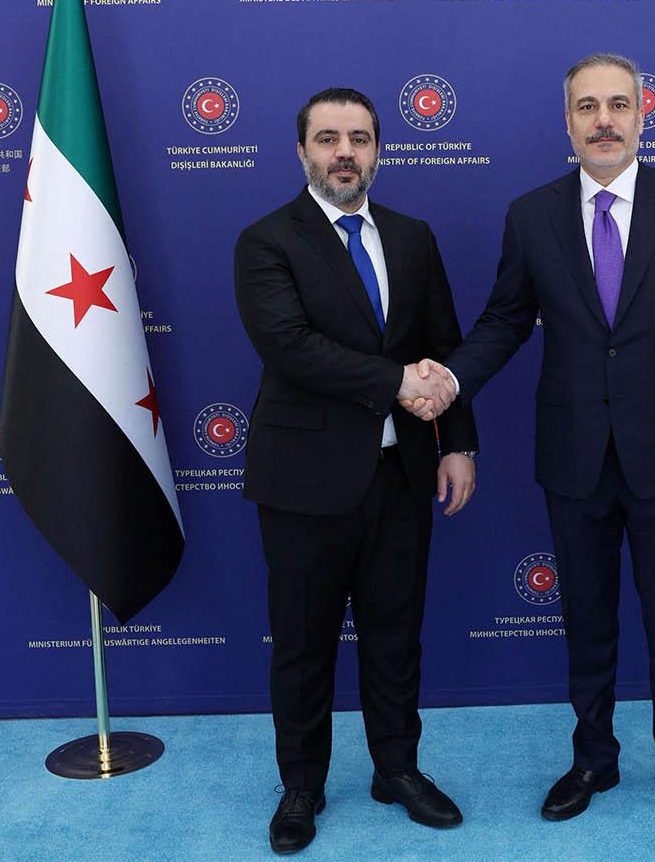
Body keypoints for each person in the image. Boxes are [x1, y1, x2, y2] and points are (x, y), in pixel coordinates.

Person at [409, 53, 655, 824]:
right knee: (587, 617)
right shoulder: (531, 215)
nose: (604, 120)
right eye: (588, 106)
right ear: (565, 121)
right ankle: (593, 758)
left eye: (618, 105)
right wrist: (451, 380)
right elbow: (504, 321)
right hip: (573, 453)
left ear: (643, 114)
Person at [234, 88, 477, 854]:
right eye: (329, 138)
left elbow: (445, 340)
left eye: (361, 138)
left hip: (399, 472)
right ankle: (302, 783)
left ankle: (397, 769)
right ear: (301, 151)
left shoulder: (413, 236)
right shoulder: (267, 240)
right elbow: (290, 346)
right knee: (304, 641)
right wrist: (396, 382)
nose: (346, 152)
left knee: (396, 632)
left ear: (379, 151)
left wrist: (458, 442)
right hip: (304, 479)